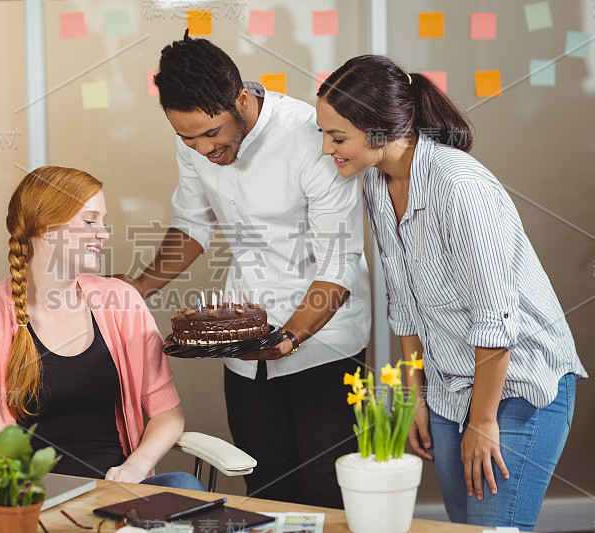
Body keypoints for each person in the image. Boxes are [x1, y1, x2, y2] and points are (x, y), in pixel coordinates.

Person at [315, 54, 587, 529]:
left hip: (518, 384)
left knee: (491, 528)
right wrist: (414, 395)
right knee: (461, 528)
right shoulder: (378, 185)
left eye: (337, 137)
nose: (325, 148)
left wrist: (483, 422)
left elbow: (495, 317)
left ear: (380, 129)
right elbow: (402, 300)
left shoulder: (459, 185)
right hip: (446, 386)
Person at [117, 31, 371, 507]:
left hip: (326, 348)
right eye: (187, 139)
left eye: (212, 134)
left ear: (240, 99)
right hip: (244, 348)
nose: (203, 150)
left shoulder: (309, 136)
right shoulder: (194, 139)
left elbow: (340, 260)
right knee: (266, 490)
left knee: (326, 495)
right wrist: (136, 287)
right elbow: (193, 222)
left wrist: (289, 337)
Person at [0, 166, 204, 490]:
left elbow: (168, 414)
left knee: (184, 484)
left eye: (103, 222)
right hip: (32, 499)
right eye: (90, 221)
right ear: (47, 228)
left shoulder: (122, 301)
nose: (104, 234)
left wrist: (136, 467)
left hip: (117, 494)